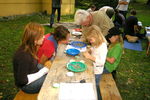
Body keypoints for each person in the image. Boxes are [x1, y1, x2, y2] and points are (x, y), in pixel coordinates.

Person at [13, 22, 51, 94]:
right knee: (50, 78)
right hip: (27, 86)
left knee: (49, 71)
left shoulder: (30, 47)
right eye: (42, 36)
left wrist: (44, 70)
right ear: (35, 40)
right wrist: (43, 71)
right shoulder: (24, 56)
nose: (44, 37)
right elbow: (22, 81)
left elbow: (34, 64)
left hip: (32, 72)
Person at [83, 25, 108, 100]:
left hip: (97, 71)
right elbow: (93, 48)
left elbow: (101, 62)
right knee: (91, 85)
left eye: (91, 40)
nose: (90, 41)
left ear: (97, 36)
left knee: (95, 87)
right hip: (92, 67)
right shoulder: (96, 43)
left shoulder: (103, 46)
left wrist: (89, 57)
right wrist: (89, 50)